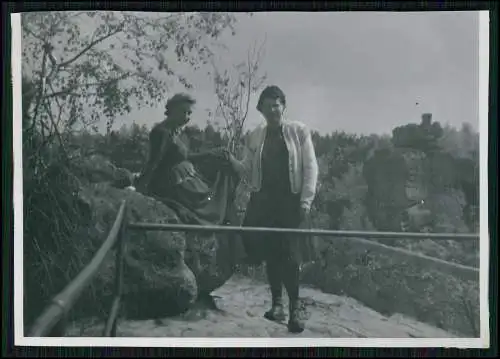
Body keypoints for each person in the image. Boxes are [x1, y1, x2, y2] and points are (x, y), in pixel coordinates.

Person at [227, 85, 319, 333]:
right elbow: (247, 169)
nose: (273, 110)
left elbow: (311, 167)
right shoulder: (255, 135)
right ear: (261, 110)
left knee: (290, 255)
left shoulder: (299, 131)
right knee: (271, 253)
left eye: (277, 104)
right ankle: (277, 305)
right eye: (267, 106)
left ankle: (295, 309)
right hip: (263, 203)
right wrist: (229, 161)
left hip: (290, 202)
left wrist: (305, 201)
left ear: (283, 106)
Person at [135, 93, 239, 227]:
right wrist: (142, 186)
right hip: (172, 184)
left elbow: (186, 156)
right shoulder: (161, 132)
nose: (187, 117)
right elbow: (154, 162)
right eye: (183, 112)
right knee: (210, 198)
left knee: (224, 161)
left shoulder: (177, 132)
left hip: (187, 178)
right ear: (171, 110)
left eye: (189, 113)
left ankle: (229, 214)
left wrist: (211, 154)